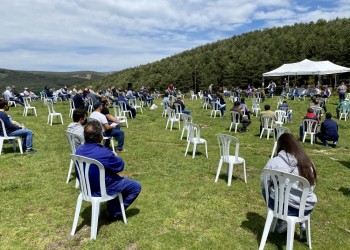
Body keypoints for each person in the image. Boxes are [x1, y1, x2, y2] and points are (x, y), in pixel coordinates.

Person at [75, 120, 141, 219]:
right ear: (99, 136)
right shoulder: (104, 153)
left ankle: (112, 206)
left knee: (115, 178)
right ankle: (113, 211)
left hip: (86, 188)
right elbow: (120, 166)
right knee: (135, 186)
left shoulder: (79, 149)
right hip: (102, 189)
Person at [261, 133, 317, 233]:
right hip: (306, 208)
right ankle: (303, 223)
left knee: (266, 189)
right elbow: (312, 187)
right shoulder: (308, 163)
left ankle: (281, 220)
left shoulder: (275, 162)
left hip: (283, 207)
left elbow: (264, 181)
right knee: (301, 193)